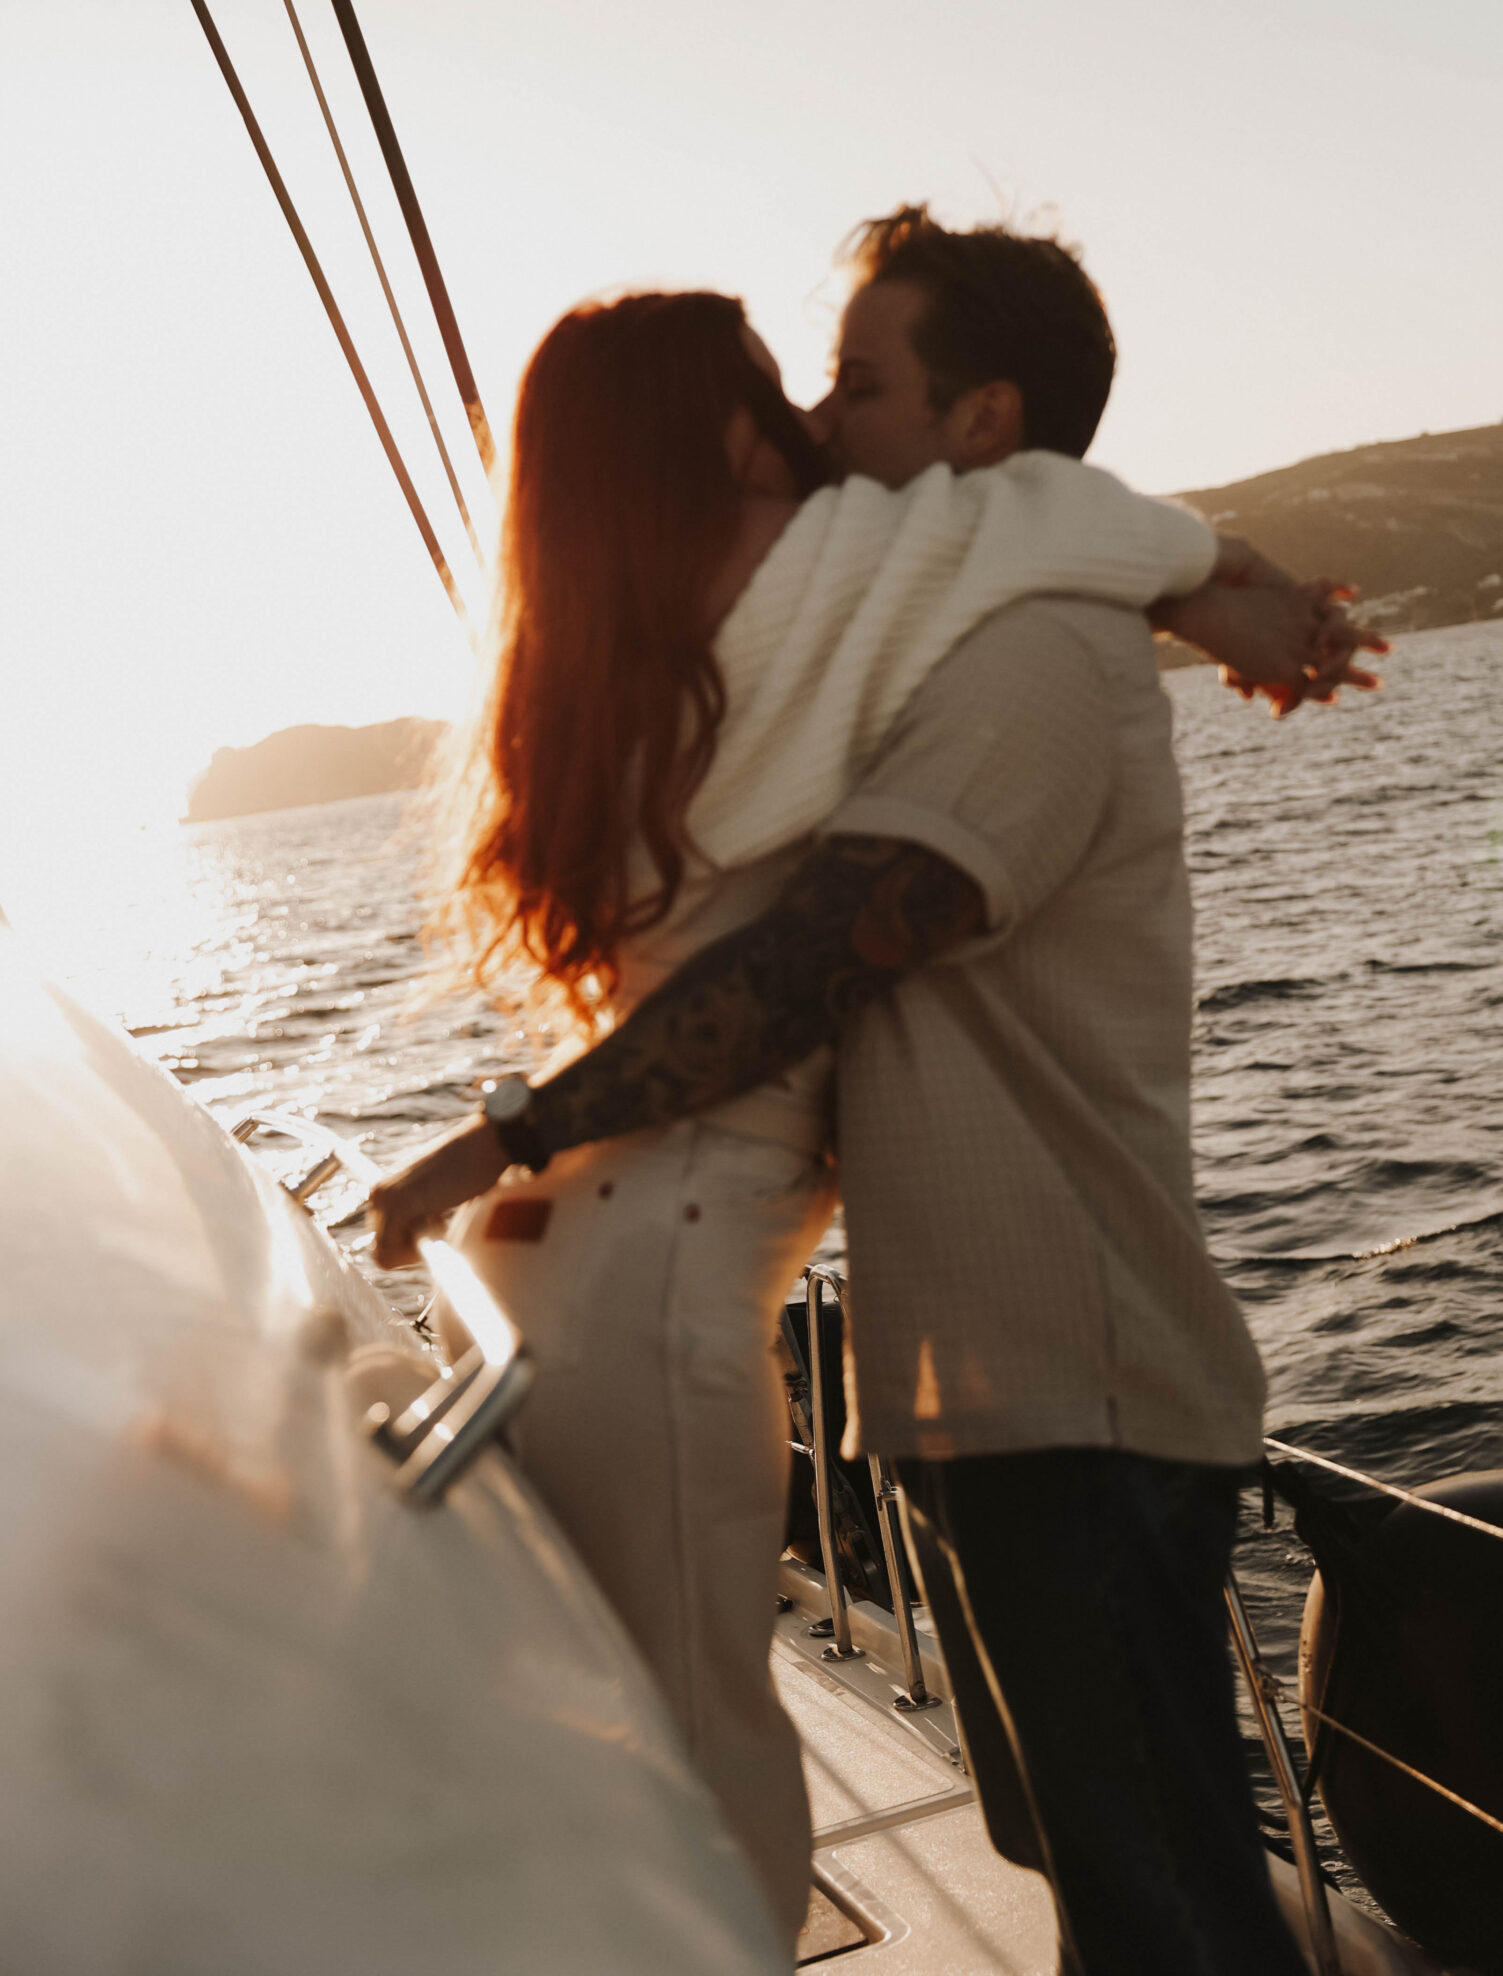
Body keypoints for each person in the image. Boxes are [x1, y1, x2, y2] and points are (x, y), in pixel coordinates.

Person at [372, 222, 1379, 1956]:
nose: (830, 441)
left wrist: (500, 1133)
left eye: (851, 389)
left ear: (983, 422)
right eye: (791, 418)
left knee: (1135, 1904)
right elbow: (1008, 532)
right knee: (1030, 1861)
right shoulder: (844, 625)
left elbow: (813, 958)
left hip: (1042, 1373)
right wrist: (1207, 583)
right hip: (920, 1354)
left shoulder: (948, 650)